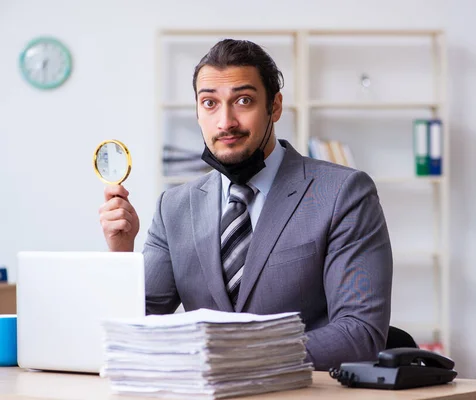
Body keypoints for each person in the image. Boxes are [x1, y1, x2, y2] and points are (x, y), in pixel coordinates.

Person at [99, 39, 393, 371]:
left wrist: (233, 358)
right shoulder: (174, 207)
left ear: (275, 107)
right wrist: (121, 252)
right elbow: (138, 326)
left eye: (243, 100)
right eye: (209, 103)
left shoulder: (342, 193)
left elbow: (360, 334)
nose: (225, 121)